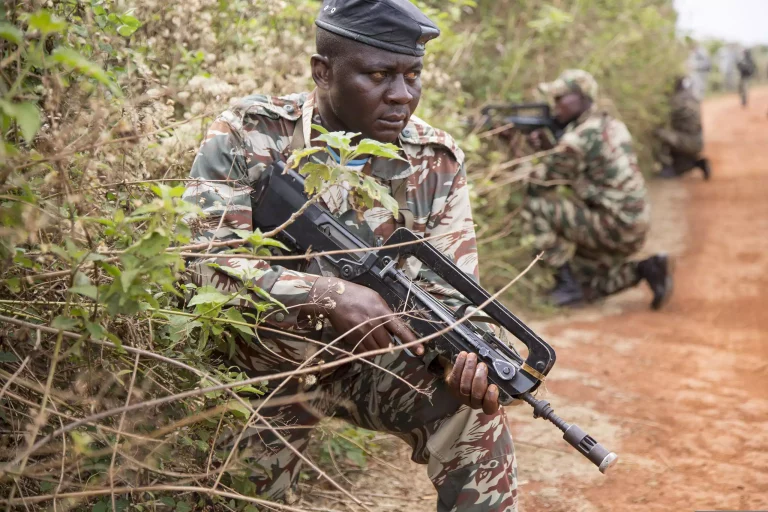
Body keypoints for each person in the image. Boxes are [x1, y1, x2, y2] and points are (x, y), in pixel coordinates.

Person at [182, 0, 518, 509]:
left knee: (472, 413)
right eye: (379, 75)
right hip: (263, 362)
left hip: (369, 363)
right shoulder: (250, 133)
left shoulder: (434, 160)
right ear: (323, 71)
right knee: (247, 497)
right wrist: (328, 294)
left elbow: (454, 295)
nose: (402, 96)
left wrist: (463, 361)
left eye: (412, 75)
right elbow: (204, 268)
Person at [521, 70, 673, 309]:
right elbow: (580, 169)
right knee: (588, 286)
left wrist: (522, 150)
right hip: (633, 222)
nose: (555, 104)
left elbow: (539, 183)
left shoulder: (577, 139)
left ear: (581, 98)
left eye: (561, 98)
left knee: (534, 205)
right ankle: (646, 269)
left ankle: (565, 282)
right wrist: (553, 148)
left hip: (613, 226)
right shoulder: (611, 125)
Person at [656, 76, 711, 180]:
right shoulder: (693, 98)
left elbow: (665, 112)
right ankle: (696, 164)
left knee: (660, 134)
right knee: (681, 165)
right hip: (696, 142)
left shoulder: (678, 100)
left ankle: (667, 167)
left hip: (687, 141)